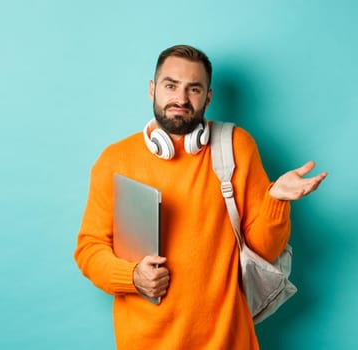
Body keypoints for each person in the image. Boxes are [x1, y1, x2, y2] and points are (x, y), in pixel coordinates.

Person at [74, 44, 327, 349]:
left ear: (208, 97)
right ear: (152, 89)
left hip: (229, 341)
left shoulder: (236, 146)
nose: (180, 99)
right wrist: (132, 276)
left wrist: (276, 201)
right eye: (170, 86)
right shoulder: (115, 160)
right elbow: (89, 250)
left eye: (193, 89)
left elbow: (263, 250)